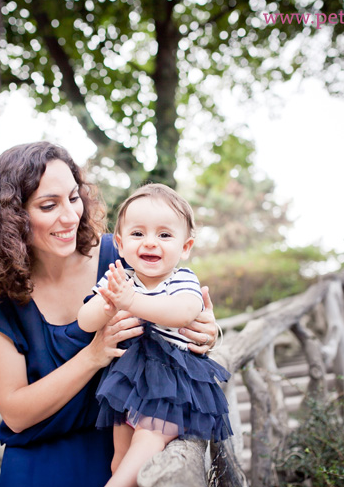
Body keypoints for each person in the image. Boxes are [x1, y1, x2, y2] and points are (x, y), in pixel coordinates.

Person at [0, 142, 219, 487]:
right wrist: (93, 356)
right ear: (14, 215)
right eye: (49, 205)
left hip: (121, 449)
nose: (70, 216)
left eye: (73, 197)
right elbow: (16, 414)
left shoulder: (123, 252)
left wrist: (210, 333)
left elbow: (177, 303)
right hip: (40, 462)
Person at [78, 183, 232, 487]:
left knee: (144, 446)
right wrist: (108, 303)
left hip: (171, 381)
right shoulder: (122, 279)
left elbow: (183, 312)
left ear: (185, 247)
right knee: (118, 458)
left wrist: (131, 302)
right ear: (120, 244)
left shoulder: (181, 279)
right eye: (138, 234)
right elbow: (85, 321)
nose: (150, 243)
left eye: (164, 235)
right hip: (128, 382)